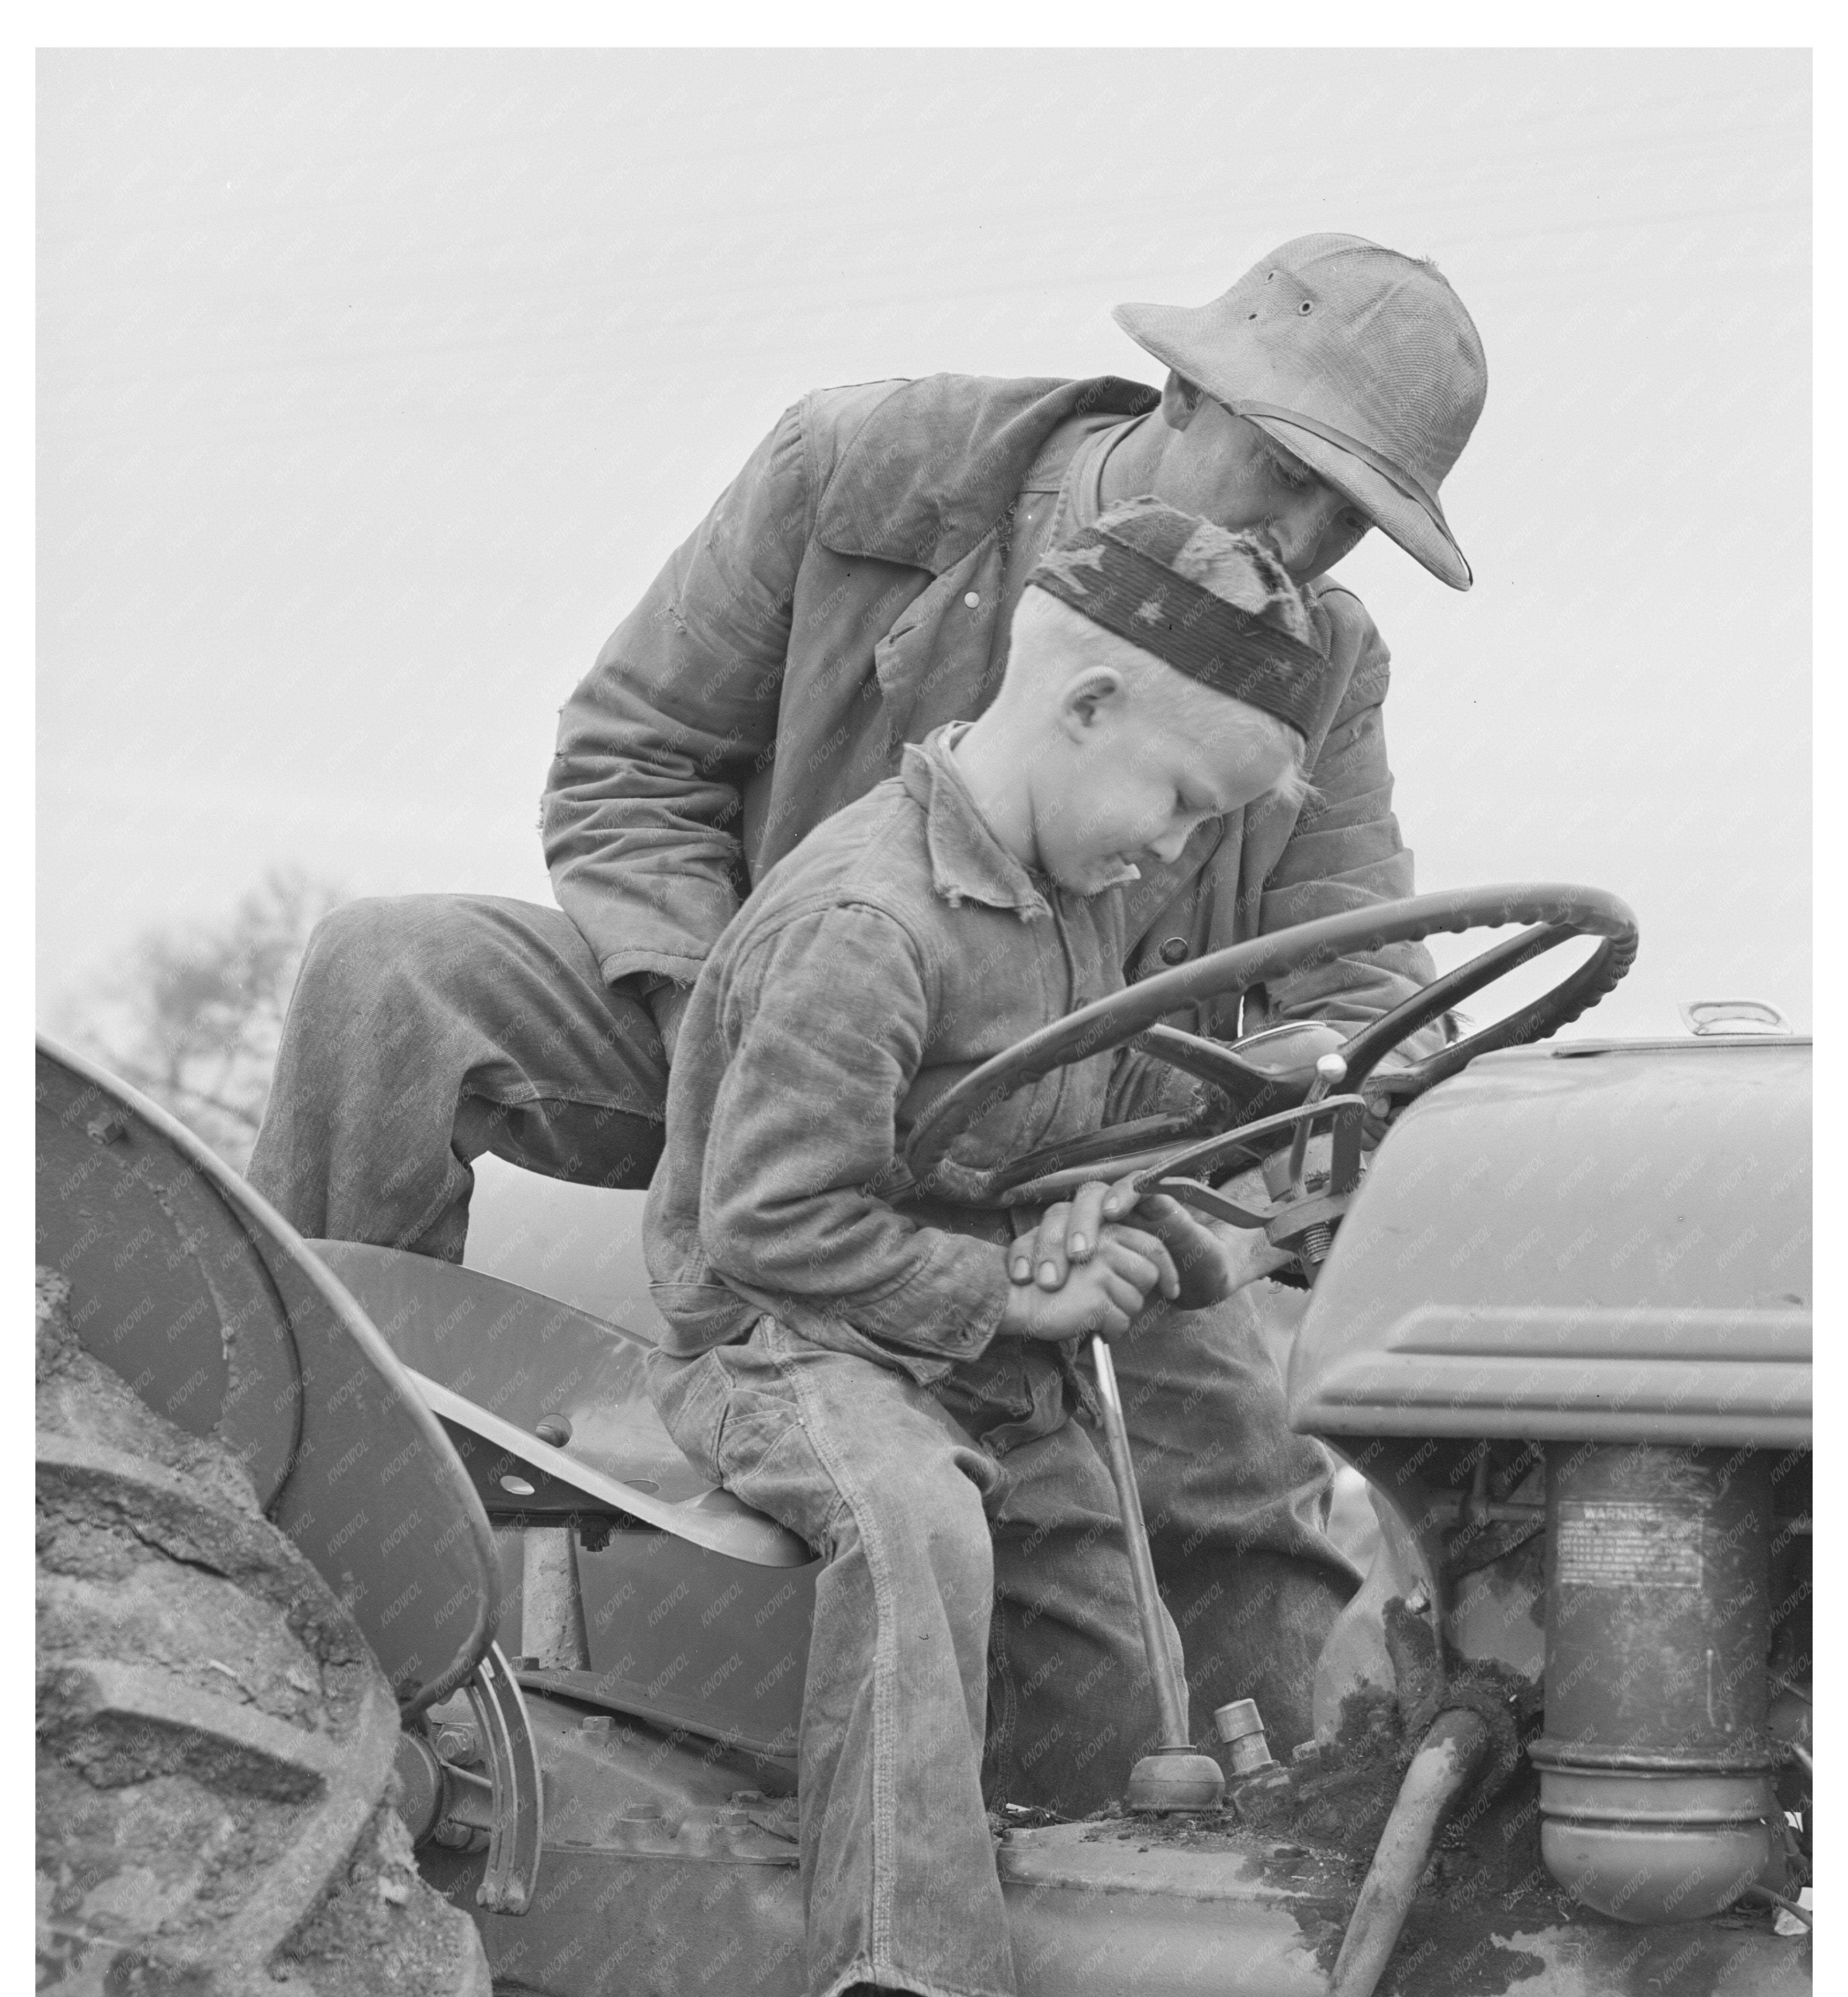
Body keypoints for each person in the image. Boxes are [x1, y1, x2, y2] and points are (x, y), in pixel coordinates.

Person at [251, 231, 1487, 1752]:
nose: (1303, 543)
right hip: (744, 1034)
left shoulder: (1319, 662)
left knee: (1233, 1496)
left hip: (1050, 1155)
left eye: (1352, 518)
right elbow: (631, 763)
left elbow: (1348, 959)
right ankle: (281, 1522)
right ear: (1182, 389)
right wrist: (756, 1027)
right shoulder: (866, 473)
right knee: (392, 975)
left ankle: (1272, 1888)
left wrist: (1383, 1084)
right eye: (1288, 475)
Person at [643, 499, 1325, 1997]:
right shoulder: (869, 919)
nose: (1175, 854)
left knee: (1114, 1629)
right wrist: (1001, 1293)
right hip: (786, 1346)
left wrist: (1133, 1229)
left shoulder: (1070, 894)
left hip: (955, 1356)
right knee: (918, 1524)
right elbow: (768, 1224)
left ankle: (1124, 1971)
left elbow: (1073, 1131)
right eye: (1180, 805)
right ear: (1085, 708)